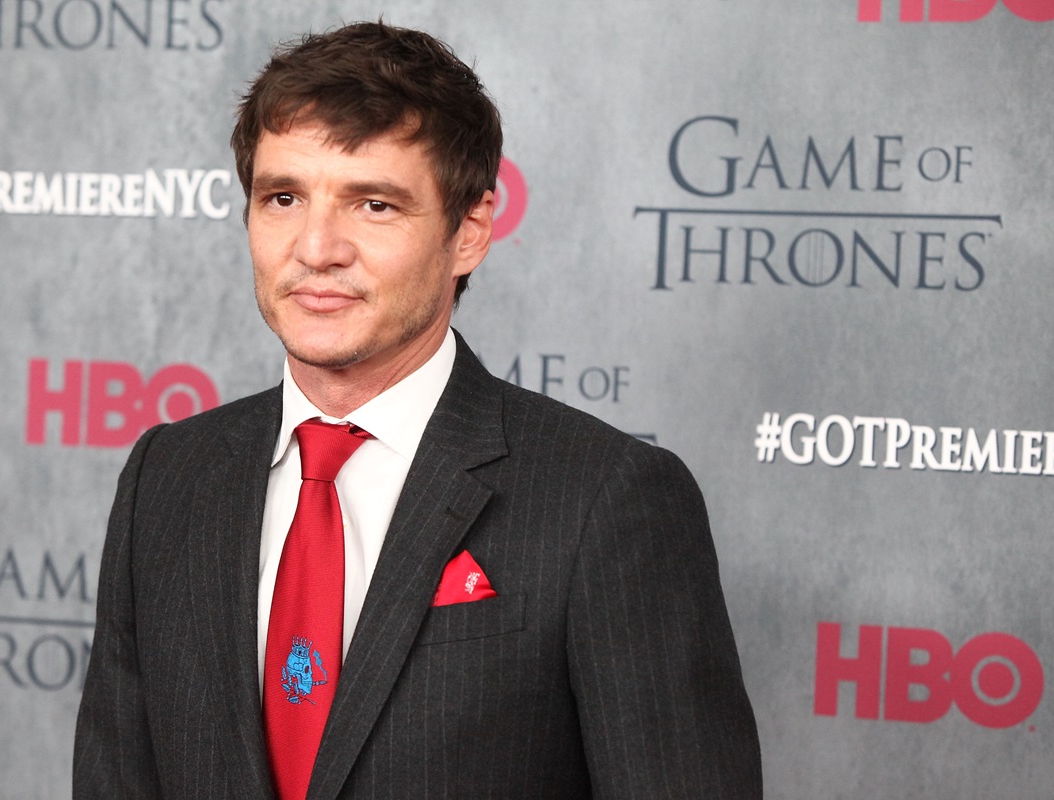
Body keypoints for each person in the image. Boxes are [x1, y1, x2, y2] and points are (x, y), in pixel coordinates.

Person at [73, 20, 761, 800]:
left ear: (469, 232)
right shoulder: (168, 476)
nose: (316, 247)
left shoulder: (607, 499)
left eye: (373, 204)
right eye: (284, 197)